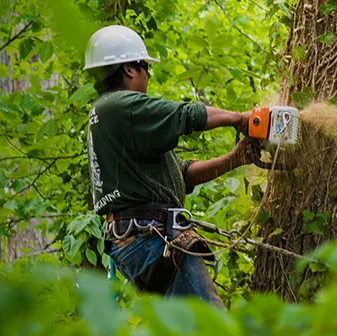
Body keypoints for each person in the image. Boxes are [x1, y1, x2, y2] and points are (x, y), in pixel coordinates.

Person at [84, 25, 262, 307]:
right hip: (149, 236)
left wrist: (236, 158)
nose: (147, 77)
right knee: (213, 330)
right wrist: (241, 118)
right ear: (130, 69)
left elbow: (182, 174)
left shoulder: (112, 117)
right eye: (145, 69)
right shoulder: (122, 105)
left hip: (136, 238)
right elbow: (187, 114)